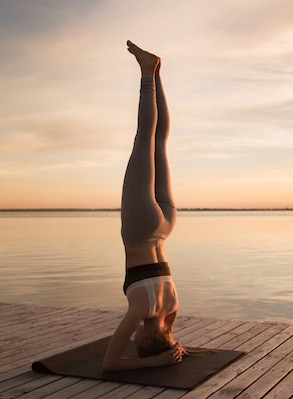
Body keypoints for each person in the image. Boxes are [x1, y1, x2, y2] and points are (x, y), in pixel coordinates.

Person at [103, 41, 185, 371]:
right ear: (147, 341)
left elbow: (168, 336)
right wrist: (157, 362)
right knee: (144, 137)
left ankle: (156, 72)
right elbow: (110, 364)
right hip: (140, 229)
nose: (133, 341)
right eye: (140, 345)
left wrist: (171, 351)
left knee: (159, 140)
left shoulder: (171, 310)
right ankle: (147, 73)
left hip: (166, 226)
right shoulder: (140, 309)